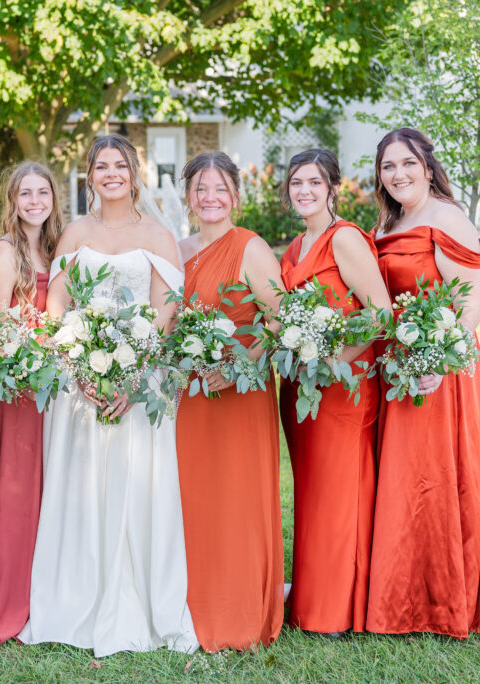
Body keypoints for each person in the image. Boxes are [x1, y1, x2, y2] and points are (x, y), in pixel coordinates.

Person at [18, 134, 197, 656]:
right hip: (80, 386)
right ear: (89, 176)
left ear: (134, 173)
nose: (111, 173)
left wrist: (132, 378)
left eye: (120, 165)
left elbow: (165, 315)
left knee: (136, 489)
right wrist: (80, 369)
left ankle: (141, 601)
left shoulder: (159, 236)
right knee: (80, 488)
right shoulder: (74, 231)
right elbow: (57, 308)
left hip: (139, 386)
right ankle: (73, 599)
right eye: (101, 166)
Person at [366, 127, 480, 638]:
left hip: (441, 370)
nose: (398, 174)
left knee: (434, 481)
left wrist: (437, 358)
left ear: (429, 167)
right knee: (404, 480)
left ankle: (443, 601)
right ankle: (403, 595)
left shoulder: (446, 217)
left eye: (407, 163)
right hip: (397, 368)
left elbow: (472, 300)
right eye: (388, 167)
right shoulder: (391, 221)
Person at [278, 149, 391, 635]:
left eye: (313, 183)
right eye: (296, 183)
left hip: (342, 389)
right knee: (312, 494)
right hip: (299, 391)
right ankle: (310, 598)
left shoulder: (343, 240)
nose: (304, 191)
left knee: (340, 492)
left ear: (332, 188)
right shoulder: (292, 249)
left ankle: (337, 609)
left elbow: (381, 313)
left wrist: (335, 362)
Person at [176, 151, 285, 651]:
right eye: (201, 189)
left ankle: (240, 613)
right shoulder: (177, 250)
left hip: (241, 391)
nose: (210, 198)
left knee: (238, 496)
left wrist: (238, 367)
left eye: (220, 189)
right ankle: (193, 606)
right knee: (195, 497)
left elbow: (279, 323)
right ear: (188, 197)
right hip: (192, 394)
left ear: (235, 196)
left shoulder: (252, 248)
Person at [0, 162, 62, 642]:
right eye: (25, 193)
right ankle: (10, 601)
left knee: (52, 491)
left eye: (42, 191)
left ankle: (47, 593)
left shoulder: (56, 248)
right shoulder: (8, 250)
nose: (34, 201)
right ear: (12, 200)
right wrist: (37, 350)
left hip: (58, 388)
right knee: (18, 493)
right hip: (21, 387)